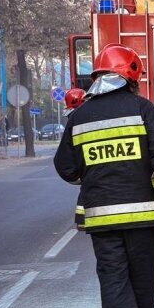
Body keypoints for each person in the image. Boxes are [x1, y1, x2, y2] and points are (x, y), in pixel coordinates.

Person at [54, 44, 154, 308]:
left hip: (102, 219)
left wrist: (93, 173)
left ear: (97, 76)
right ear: (131, 75)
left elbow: (66, 167)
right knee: (142, 277)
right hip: (143, 216)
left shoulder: (79, 116)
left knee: (113, 280)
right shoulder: (143, 109)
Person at [61, 88, 87, 230]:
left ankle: (82, 220)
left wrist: (76, 176)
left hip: (83, 162)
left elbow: (63, 160)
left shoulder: (73, 118)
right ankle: (82, 220)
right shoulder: (87, 115)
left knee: (86, 187)